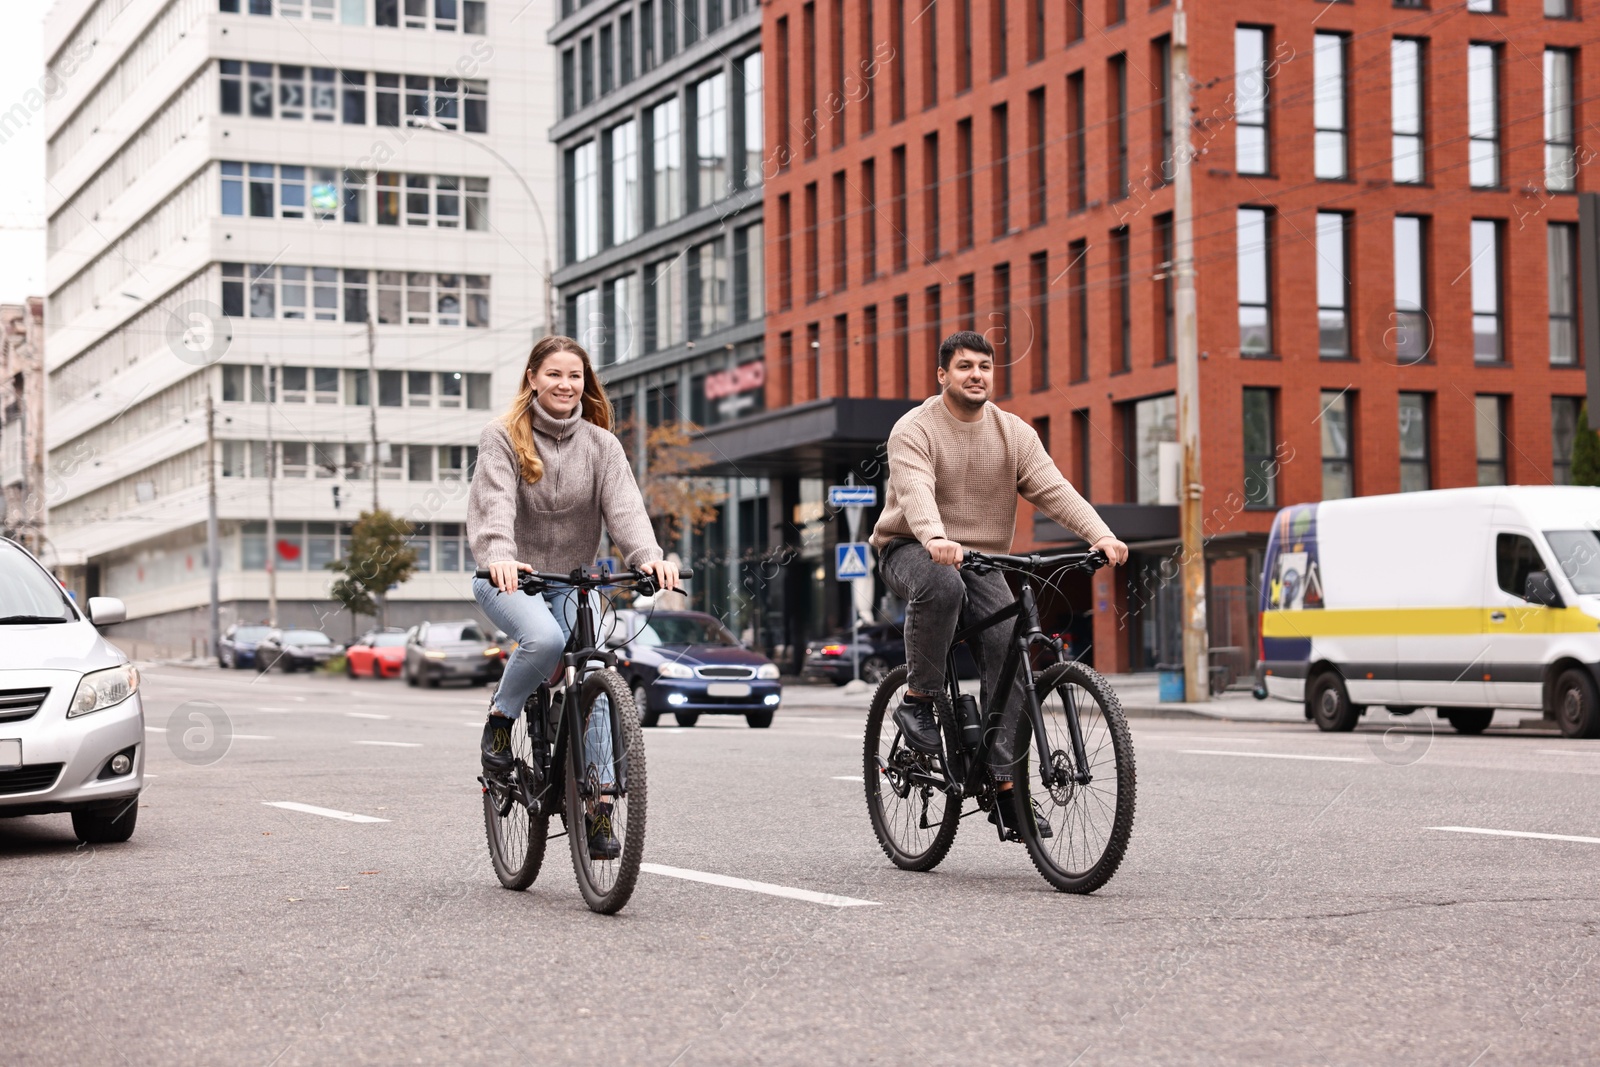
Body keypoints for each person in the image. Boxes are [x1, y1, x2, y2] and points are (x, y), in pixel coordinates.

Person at [870, 331, 1128, 840]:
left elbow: (1054, 488)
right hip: (911, 547)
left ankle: (1005, 789)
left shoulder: (1014, 434)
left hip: (984, 559)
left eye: (984, 366)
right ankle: (920, 699)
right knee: (943, 586)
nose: (976, 375)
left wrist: (1101, 534)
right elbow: (916, 489)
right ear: (943, 375)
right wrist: (936, 536)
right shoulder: (914, 428)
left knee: (1009, 652)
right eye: (964, 366)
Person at [467, 335, 680, 859]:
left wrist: (648, 557)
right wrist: (498, 553)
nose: (566, 385)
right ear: (533, 379)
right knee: (542, 639)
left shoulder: (602, 445)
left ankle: (599, 807)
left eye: (575, 377)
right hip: (511, 577)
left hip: (573, 582)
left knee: (596, 672)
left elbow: (626, 508)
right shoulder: (502, 437)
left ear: (586, 385)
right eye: (555, 375)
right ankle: (501, 721)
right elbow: (492, 504)